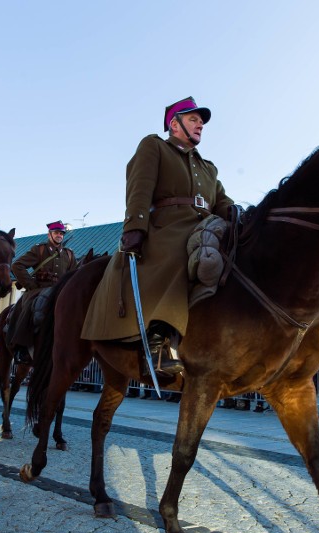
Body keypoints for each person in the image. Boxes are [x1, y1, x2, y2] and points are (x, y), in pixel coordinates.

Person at [81, 97, 234, 377]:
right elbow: (140, 187)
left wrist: (241, 217)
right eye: (193, 119)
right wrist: (135, 228)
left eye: (201, 121)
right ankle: (159, 341)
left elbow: (223, 202)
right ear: (174, 124)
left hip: (206, 225)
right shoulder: (155, 147)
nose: (200, 123)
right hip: (167, 227)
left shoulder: (208, 168)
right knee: (183, 250)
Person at [10, 220, 77, 365]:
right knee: (30, 307)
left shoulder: (69, 254)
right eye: (56, 233)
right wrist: (31, 285)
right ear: (49, 234)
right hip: (39, 289)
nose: (59, 235)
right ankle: (21, 347)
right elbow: (17, 265)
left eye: (61, 233)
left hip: (61, 290)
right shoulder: (39, 250)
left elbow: (74, 275)